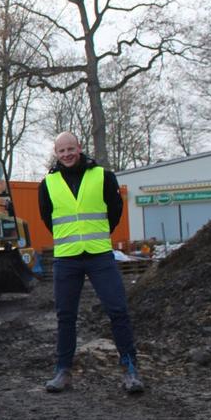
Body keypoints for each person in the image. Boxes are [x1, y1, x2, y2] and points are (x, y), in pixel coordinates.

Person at [38, 132, 144, 394]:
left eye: (70, 149)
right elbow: (46, 217)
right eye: (61, 151)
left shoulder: (102, 176)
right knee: (65, 316)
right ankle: (63, 371)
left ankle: (130, 369)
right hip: (67, 257)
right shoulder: (48, 183)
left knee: (118, 310)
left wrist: (99, 233)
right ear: (56, 153)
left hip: (99, 255)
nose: (67, 155)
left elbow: (115, 209)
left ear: (79, 148)